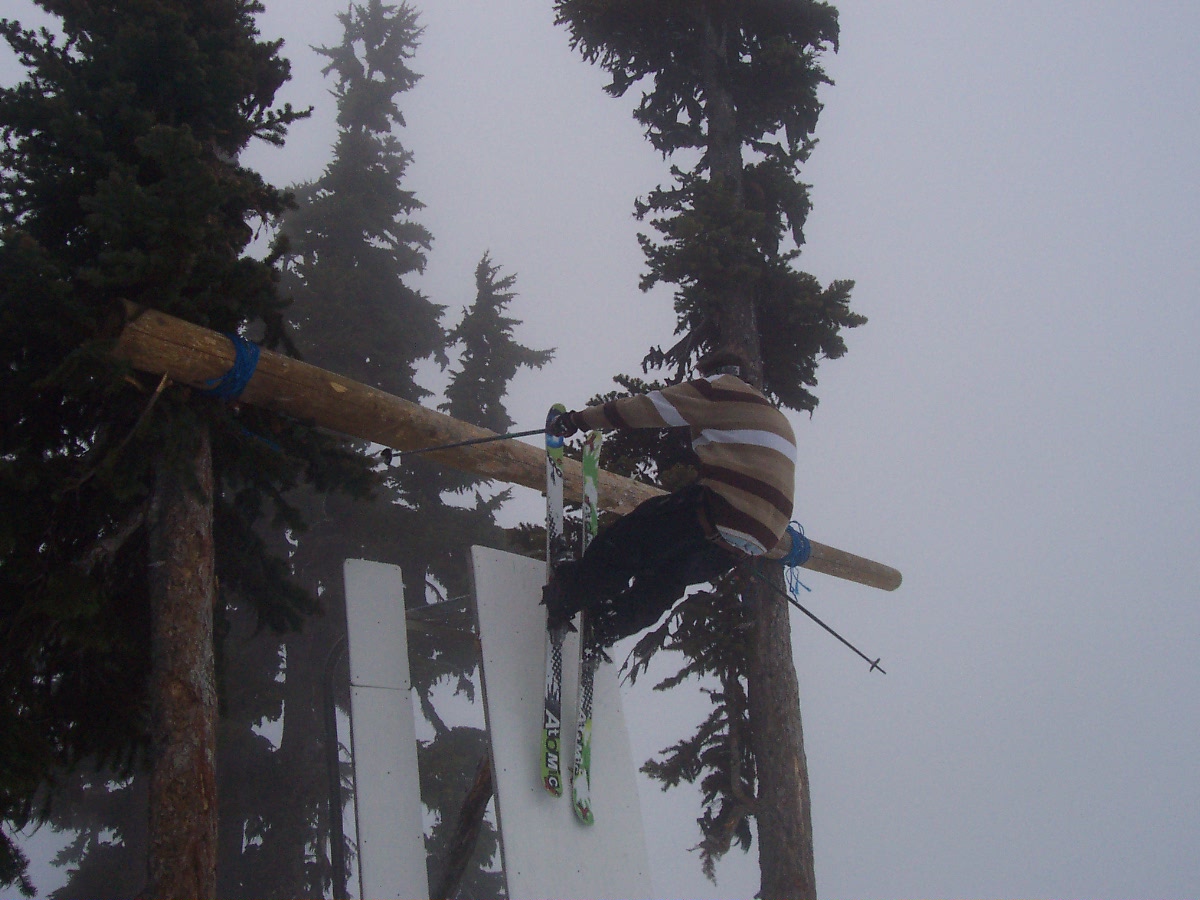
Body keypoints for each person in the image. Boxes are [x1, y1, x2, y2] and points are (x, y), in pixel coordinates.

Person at [542, 346, 797, 646]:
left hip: (722, 510)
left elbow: (646, 408)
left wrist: (576, 421)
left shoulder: (719, 389)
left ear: (713, 371)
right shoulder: (772, 415)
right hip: (754, 541)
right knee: (667, 577)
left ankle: (566, 595)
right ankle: (607, 627)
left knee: (628, 541)